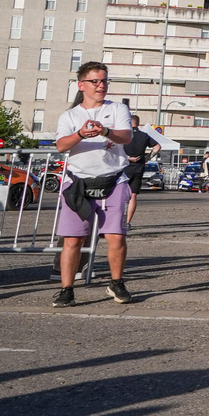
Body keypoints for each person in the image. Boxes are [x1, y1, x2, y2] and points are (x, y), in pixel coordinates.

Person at [52, 63, 135, 306]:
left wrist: (105, 131)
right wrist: (80, 134)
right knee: (73, 239)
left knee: (116, 237)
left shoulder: (118, 108)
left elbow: (126, 137)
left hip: (113, 180)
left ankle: (116, 283)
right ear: (81, 85)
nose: (101, 85)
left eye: (105, 81)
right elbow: (61, 146)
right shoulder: (69, 116)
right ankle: (67, 289)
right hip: (78, 183)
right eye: (95, 81)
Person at [120, 112, 156, 228]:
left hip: (124, 166)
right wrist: (148, 157)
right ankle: (128, 222)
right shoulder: (144, 135)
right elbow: (157, 146)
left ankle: (117, 220)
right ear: (138, 123)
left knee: (119, 194)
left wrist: (128, 158)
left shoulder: (124, 135)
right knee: (133, 195)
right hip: (139, 167)